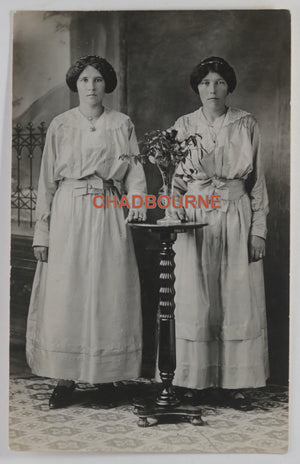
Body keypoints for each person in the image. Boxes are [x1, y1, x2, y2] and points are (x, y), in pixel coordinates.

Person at [26, 55, 147, 409]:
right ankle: (65, 377)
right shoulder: (61, 125)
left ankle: (105, 376)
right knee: (69, 288)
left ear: (106, 84)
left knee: (108, 287)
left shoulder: (121, 123)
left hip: (107, 206)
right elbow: (47, 181)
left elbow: (135, 173)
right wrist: (42, 233)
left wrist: (136, 201)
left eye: (97, 80)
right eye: (84, 81)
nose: (91, 87)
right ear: (75, 85)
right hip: (68, 209)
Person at [170, 56, 269, 408]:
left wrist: (259, 231)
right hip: (196, 219)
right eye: (205, 83)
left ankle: (235, 383)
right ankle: (191, 379)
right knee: (195, 295)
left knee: (235, 295)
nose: (212, 89)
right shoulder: (183, 125)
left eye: (220, 82)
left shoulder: (246, 124)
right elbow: (176, 183)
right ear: (197, 87)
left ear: (229, 86)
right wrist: (175, 217)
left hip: (235, 214)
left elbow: (257, 183)